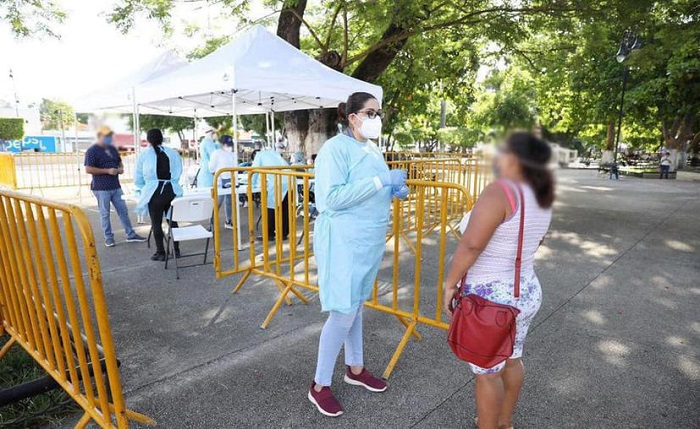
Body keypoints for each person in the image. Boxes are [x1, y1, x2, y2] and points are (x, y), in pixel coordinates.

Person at [443, 132, 554, 429]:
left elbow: (471, 246)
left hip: (491, 299)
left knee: (488, 373)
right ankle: (504, 421)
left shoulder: (500, 192)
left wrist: (449, 284)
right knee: (513, 359)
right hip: (525, 290)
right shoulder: (541, 195)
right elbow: (536, 240)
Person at [308, 92, 408, 417]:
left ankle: (355, 368)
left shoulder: (372, 148)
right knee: (342, 312)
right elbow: (331, 199)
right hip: (343, 242)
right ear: (353, 117)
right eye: (370, 112)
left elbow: (372, 192)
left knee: (356, 307)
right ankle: (319, 385)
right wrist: (381, 181)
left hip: (368, 241)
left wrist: (392, 191)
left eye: (378, 113)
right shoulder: (334, 150)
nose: (376, 119)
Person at [84, 125, 146, 247]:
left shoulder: (112, 149)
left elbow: (119, 161)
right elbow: (88, 168)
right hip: (101, 188)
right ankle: (108, 237)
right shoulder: (92, 151)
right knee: (105, 213)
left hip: (116, 186)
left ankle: (130, 234)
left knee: (123, 211)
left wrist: (120, 168)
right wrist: (107, 171)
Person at [134, 129, 184, 261]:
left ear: (148, 140)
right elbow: (179, 170)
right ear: (162, 138)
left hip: (154, 192)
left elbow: (138, 177)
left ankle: (161, 252)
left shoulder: (144, 155)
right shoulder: (172, 153)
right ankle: (176, 250)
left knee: (156, 223)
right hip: (171, 189)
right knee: (173, 221)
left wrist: (142, 188)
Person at [251, 147, 290, 240]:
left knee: (271, 208)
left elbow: (253, 172)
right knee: (284, 208)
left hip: (278, 181)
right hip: (289, 179)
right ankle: (284, 233)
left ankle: (269, 234)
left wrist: (251, 184)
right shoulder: (273, 153)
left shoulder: (259, 155)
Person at [209, 135, 236, 229]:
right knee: (218, 202)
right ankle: (212, 222)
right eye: (225, 144)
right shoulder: (216, 153)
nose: (228, 146)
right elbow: (211, 167)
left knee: (229, 201)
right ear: (221, 144)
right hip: (220, 179)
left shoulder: (232, 153)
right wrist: (216, 176)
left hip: (231, 179)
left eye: (229, 144)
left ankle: (228, 221)